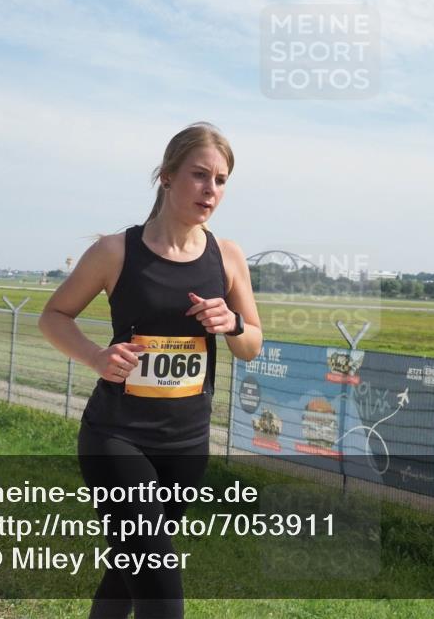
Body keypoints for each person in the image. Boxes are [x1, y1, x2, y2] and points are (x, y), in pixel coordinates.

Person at [38, 122, 262, 618]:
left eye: (221, 180)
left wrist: (232, 322)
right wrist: (96, 357)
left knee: (126, 574)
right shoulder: (116, 251)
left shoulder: (228, 257)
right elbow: (53, 316)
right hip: (117, 437)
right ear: (167, 175)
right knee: (158, 581)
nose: (211, 189)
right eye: (199, 175)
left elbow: (251, 345)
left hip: (186, 445)